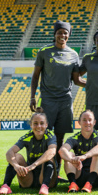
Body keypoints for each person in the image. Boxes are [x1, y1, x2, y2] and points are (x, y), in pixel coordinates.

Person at [30, 20, 85, 177]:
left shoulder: (73, 55)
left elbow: (76, 80)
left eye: (65, 32)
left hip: (65, 101)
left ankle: (56, 171)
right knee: (43, 135)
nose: (63, 35)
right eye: (60, 32)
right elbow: (35, 77)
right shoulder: (44, 52)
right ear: (54, 34)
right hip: (47, 100)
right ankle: (41, 169)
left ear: (69, 35)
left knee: (60, 137)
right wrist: (32, 97)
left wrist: (94, 83)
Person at [0, 109, 57, 195]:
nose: (39, 126)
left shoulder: (50, 136)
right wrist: (16, 165)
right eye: (35, 123)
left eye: (42, 123)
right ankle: (6, 186)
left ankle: (44, 186)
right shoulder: (27, 137)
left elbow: (52, 151)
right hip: (29, 178)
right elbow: (9, 152)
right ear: (31, 125)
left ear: (46, 125)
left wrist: (33, 165)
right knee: (16, 156)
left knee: (49, 158)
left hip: (47, 177)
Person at [58, 110, 98, 193]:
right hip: (80, 175)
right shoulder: (74, 138)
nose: (87, 122)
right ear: (79, 122)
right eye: (84, 120)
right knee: (69, 154)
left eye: (90, 120)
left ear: (94, 122)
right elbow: (62, 150)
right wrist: (71, 160)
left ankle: (89, 183)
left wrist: (85, 156)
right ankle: (73, 184)